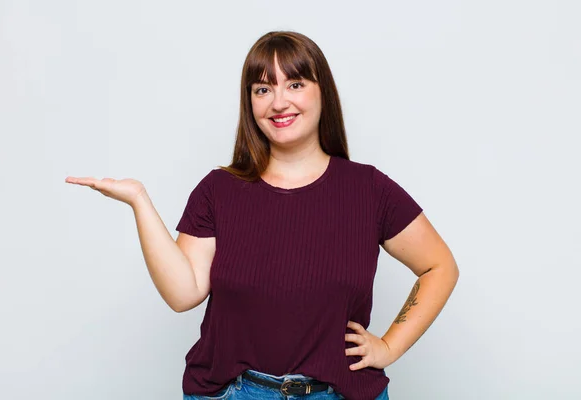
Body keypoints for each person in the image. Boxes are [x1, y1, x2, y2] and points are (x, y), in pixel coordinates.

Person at [65, 31, 459, 400]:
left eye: (295, 84)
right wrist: (139, 201)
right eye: (262, 89)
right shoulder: (218, 191)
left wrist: (389, 346)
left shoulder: (368, 190)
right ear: (249, 101)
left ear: (324, 93)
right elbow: (183, 294)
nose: (279, 102)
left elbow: (439, 266)